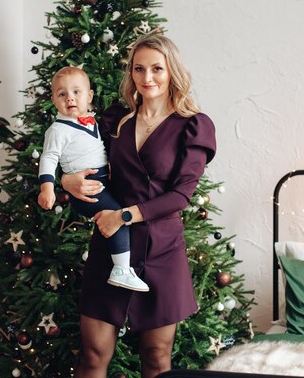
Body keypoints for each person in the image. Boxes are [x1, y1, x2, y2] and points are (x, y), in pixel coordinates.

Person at [61, 34, 216, 378]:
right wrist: (65, 181)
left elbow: (181, 195)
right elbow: (77, 157)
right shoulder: (115, 119)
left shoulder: (193, 126)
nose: (148, 78)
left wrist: (124, 216)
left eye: (157, 68)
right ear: (130, 73)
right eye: (139, 69)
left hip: (162, 250)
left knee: (157, 357)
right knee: (92, 354)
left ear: (172, 71)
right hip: (112, 247)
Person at [37, 66, 149, 292]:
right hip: (88, 186)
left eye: (77, 92)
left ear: (89, 96)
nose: (70, 98)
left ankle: (122, 267)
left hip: (102, 180)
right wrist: (47, 188)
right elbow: (49, 158)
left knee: (118, 213)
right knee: (117, 216)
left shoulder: (91, 121)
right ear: (53, 100)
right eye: (62, 94)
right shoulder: (58, 130)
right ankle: (121, 270)